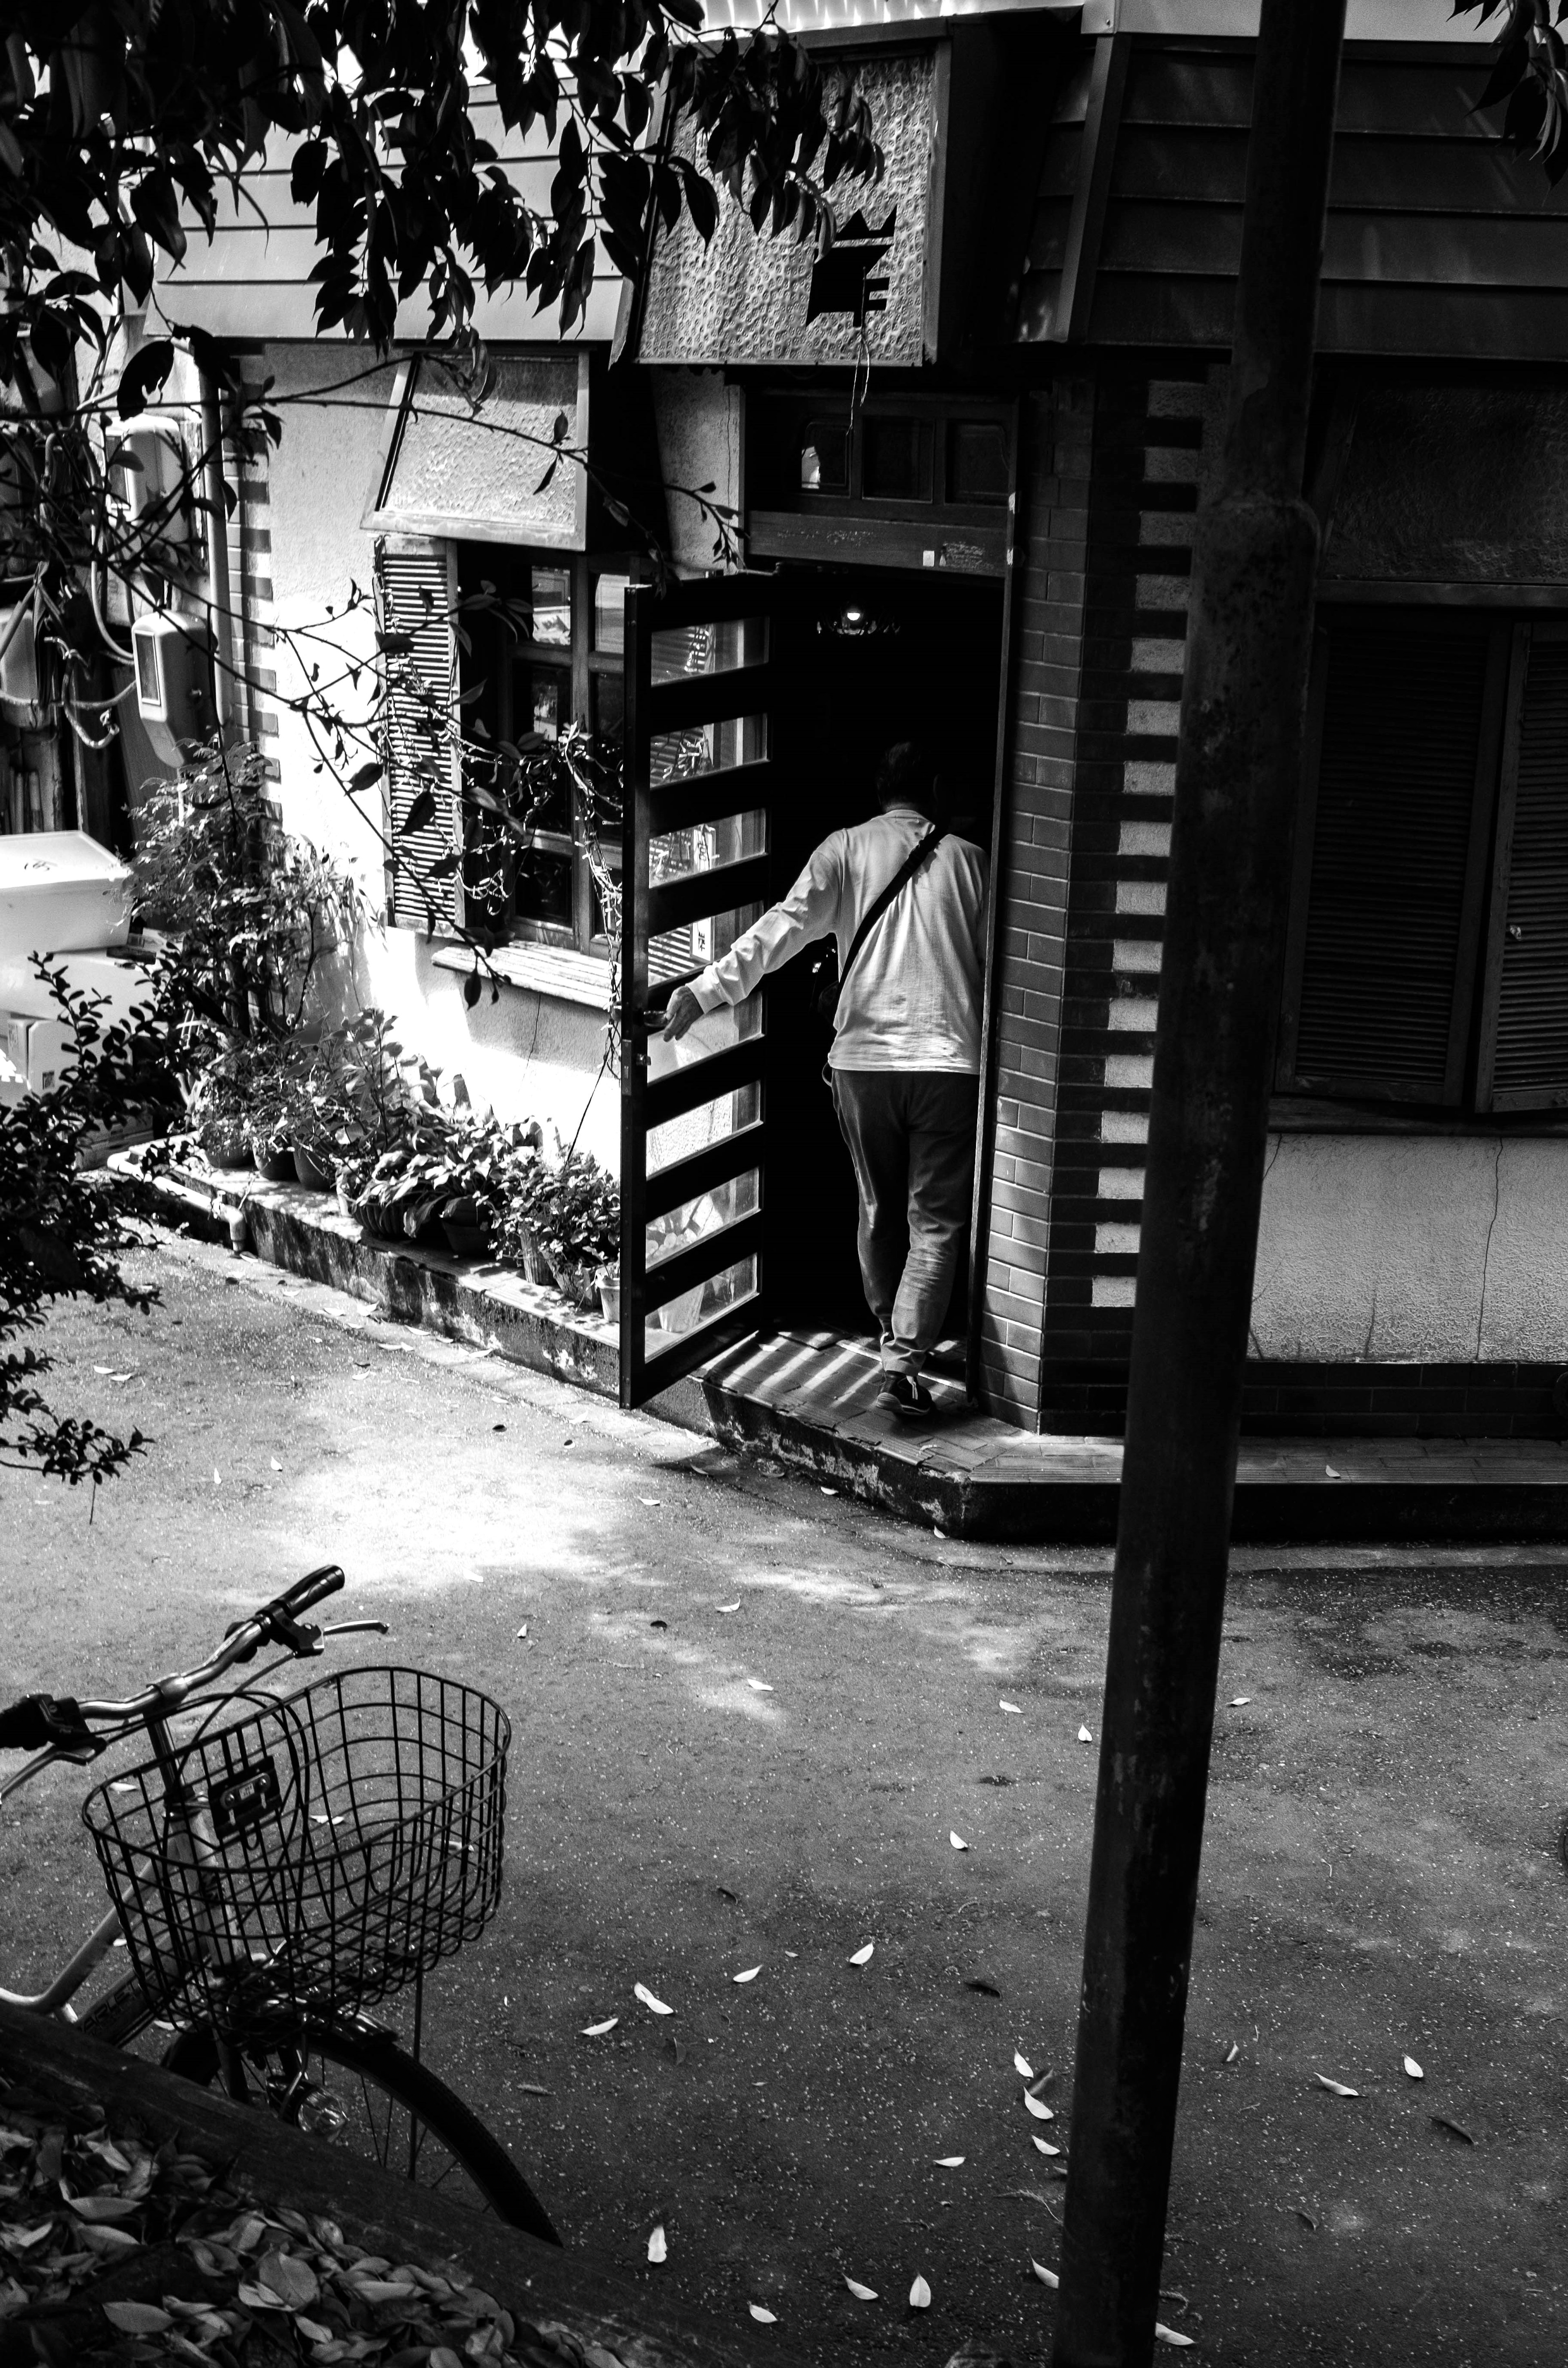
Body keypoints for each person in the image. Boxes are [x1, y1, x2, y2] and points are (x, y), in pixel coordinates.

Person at [662, 741, 987, 1420]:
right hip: (949, 1063)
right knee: (936, 1222)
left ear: (879, 791)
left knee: (876, 1204)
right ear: (936, 787)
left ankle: (890, 1340)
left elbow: (783, 929)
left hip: (863, 1063)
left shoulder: (843, 849)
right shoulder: (971, 863)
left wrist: (707, 988)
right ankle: (904, 1358)